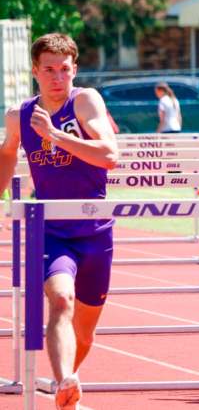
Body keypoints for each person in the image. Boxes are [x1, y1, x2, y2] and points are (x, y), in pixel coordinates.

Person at [0, 33, 119, 410]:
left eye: (64, 70)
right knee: (61, 301)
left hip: (95, 230)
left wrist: (53, 135)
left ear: (74, 70)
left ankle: (66, 389)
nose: (57, 77)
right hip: (50, 230)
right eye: (48, 70)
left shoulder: (84, 101)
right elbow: (6, 153)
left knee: (84, 333)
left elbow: (108, 155)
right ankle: (64, 381)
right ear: (35, 71)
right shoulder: (19, 115)